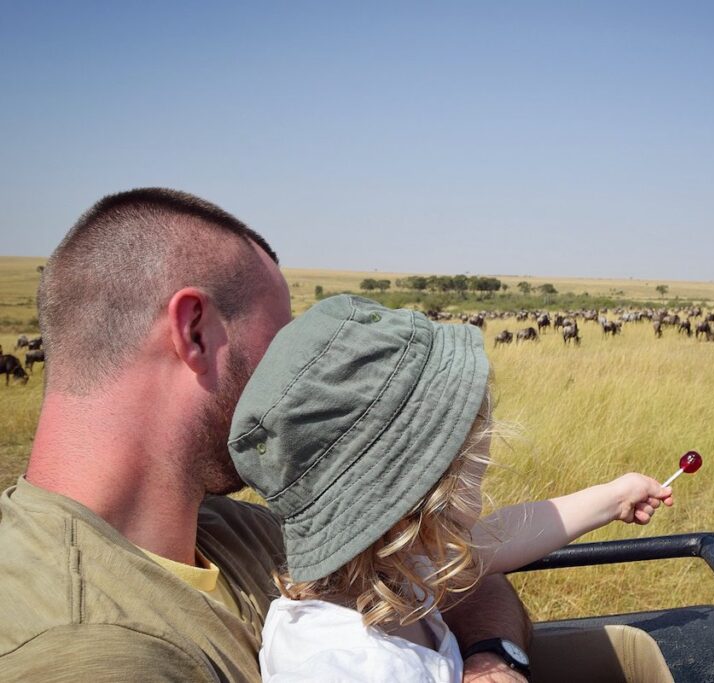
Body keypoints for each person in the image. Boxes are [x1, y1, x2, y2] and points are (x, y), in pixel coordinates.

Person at [0, 188, 530, 682]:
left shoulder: (238, 530)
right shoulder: (87, 650)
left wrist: (490, 656)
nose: (300, 376)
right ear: (195, 332)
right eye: (284, 342)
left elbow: (446, 569)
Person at [227, 294, 674, 682]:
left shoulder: (383, 574)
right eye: (476, 474)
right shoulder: (350, 667)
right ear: (423, 504)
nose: (482, 491)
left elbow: (498, 537)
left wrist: (614, 497)